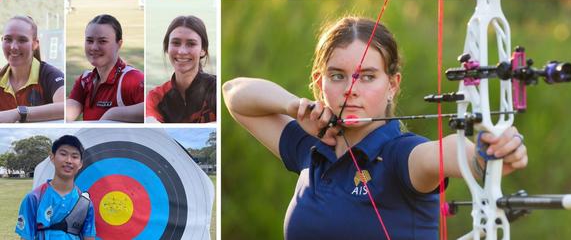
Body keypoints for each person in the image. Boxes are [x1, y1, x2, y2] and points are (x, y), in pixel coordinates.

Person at [222, 16, 528, 239]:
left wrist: (488, 155)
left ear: (392, 85)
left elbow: (448, 152)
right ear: (319, 83)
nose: (350, 89)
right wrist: (293, 106)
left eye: (367, 76)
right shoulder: (313, 148)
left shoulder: (400, 155)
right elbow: (234, 93)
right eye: (338, 76)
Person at [66, 15, 144, 122]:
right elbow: (67, 115)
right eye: (89, 41)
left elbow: (154, 108)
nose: (94, 47)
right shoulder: (85, 80)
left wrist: (113, 114)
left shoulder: (131, 78)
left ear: (119, 44)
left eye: (102, 41)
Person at [16, 135, 96, 239]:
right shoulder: (34, 198)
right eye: (63, 154)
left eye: (75, 156)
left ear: (80, 164)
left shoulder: (85, 204)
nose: (69, 160)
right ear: (52, 157)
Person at [146, 16, 216, 123]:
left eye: (191, 44)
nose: (182, 51)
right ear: (167, 48)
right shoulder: (156, 97)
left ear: (203, 50)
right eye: (176, 43)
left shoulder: (215, 88)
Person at [0, 16, 64, 123]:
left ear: (35, 44)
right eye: (8, 39)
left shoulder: (49, 74)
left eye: (22, 40)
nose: (13, 47)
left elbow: (65, 107)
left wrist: (18, 113)